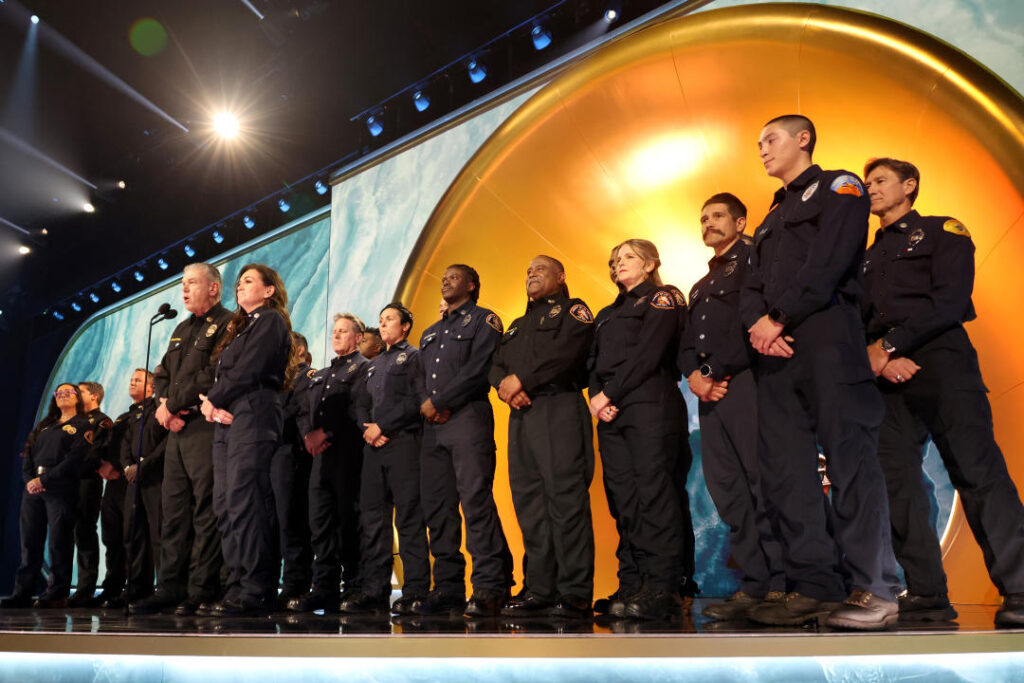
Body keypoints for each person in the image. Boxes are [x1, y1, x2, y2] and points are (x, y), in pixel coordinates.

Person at [741, 114, 900, 629]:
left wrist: (779, 316)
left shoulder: (840, 186)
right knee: (786, 472)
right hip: (776, 349)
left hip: (829, 339)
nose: (762, 149)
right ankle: (813, 586)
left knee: (851, 463)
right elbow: (749, 285)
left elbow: (830, 259)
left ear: (802, 139)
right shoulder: (771, 215)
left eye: (771, 139)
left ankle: (874, 589)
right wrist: (759, 325)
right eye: (759, 143)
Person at [861, 157, 1024, 627]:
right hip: (886, 377)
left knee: (978, 473)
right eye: (868, 182)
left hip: (942, 363)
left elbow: (951, 300)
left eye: (881, 181)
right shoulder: (865, 255)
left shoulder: (941, 230)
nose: (871, 188)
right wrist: (879, 357)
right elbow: (854, 316)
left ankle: (1020, 588)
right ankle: (928, 594)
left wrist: (891, 346)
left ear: (909, 185)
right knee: (897, 484)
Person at [679, 193, 785, 620]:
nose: (709, 223)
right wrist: (694, 375)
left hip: (744, 383)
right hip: (709, 392)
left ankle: (782, 584)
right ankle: (755, 585)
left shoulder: (755, 262)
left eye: (718, 215)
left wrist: (714, 372)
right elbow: (688, 342)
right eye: (703, 218)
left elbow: (753, 324)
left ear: (741, 222)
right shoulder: (701, 284)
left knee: (763, 484)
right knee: (728, 491)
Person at [489, 255, 596, 619]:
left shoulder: (573, 311)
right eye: (528, 270)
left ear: (561, 276)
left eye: (539, 269)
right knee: (530, 504)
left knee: (566, 502)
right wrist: (506, 387)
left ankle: (575, 592)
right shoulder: (516, 325)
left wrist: (524, 380)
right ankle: (539, 588)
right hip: (522, 415)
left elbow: (566, 353)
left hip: (559, 407)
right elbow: (496, 364)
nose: (531, 274)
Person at [588, 240, 689, 620]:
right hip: (612, 412)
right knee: (623, 499)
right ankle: (632, 583)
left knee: (655, 495)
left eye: (628, 257)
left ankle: (663, 586)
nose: (619, 264)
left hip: (650, 405)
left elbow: (650, 352)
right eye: (615, 260)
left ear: (650, 264)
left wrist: (608, 393)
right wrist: (598, 395)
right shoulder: (606, 313)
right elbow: (593, 363)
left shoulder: (663, 298)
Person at [131, 262, 233, 616]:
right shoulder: (180, 328)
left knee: (205, 509)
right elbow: (162, 374)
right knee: (172, 512)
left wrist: (172, 406)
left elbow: (212, 375)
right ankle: (170, 587)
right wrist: (163, 405)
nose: (185, 290)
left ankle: (202, 588)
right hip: (176, 430)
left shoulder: (228, 323)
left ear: (214, 288)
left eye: (192, 283)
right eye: (183, 283)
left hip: (205, 428)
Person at [414, 264, 514, 618]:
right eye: (443, 277)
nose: (445, 280)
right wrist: (428, 404)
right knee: (439, 509)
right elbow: (420, 376)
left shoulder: (485, 321)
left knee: (475, 502)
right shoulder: (428, 332)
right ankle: (448, 587)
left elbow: (479, 370)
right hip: (433, 427)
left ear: (471, 285)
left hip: (467, 419)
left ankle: (489, 585)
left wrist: (439, 402)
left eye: (454, 276)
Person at [200, 263, 294, 616]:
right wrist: (214, 408)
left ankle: (258, 587)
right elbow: (227, 375)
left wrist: (214, 400)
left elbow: (250, 370)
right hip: (229, 419)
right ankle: (237, 584)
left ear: (269, 290)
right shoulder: (238, 330)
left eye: (249, 281)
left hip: (254, 414)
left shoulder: (270, 321)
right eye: (238, 283)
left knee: (246, 501)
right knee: (225, 504)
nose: (239, 287)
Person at [343, 303, 430, 615]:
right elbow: (360, 405)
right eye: (380, 321)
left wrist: (385, 426)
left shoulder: (415, 356)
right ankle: (374, 590)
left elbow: (418, 400)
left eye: (389, 319)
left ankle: (416, 590)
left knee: (408, 518)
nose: (382, 325)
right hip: (373, 447)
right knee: (373, 520)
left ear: (405, 326)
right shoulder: (372, 366)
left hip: (404, 444)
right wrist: (368, 428)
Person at [289, 314, 369, 613]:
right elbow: (302, 412)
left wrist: (327, 432)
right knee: (320, 524)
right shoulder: (322, 374)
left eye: (343, 331)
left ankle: (353, 587)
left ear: (358, 337)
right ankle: (324, 588)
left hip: (347, 455)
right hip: (319, 458)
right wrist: (308, 435)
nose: (336, 335)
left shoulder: (363, 368)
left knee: (348, 521)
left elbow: (357, 409)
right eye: (334, 331)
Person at [1, 384, 91, 608]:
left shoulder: (82, 425)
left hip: (60, 488)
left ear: (77, 398)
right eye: (58, 393)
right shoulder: (44, 425)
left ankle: (57, 592)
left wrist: (45, 480)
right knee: (30, 542)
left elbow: (74, 459)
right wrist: (30, 480)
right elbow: (28, 455)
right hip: (33, 489)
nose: (62, 396)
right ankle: (23, 592)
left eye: (68, 392)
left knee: (59, 541)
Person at [270, 332, 315, 608]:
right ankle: (274, 583)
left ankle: (296, 585)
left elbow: (299, 414)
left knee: (292, 522)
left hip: (292, 454)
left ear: (298, 351)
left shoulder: (307, 378)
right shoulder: (278, 381)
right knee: (274, 523)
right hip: (273, 455)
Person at [69, 381, 120, 608]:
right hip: (66, 482)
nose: (77, 397)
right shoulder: (70, 421)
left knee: (84, 532)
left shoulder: (102, 422)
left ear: (94, 396)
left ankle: (85, 589)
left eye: (80, 392)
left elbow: (97, 451)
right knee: (64, 535)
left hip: (86, 481)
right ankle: (58, 588)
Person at [120, 368, 167, 604]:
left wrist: (144, 466)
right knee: (133, 533)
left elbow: (165, 443)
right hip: (133, 480)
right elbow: (126, 444)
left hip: (156, 478)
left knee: (159, 533)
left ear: (151, 387)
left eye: (137, 380)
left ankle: (164, 588)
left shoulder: (160, 408)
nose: (132, 383)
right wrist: (128, 466)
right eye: (131, 379)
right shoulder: (133, 414)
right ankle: (137, 587)